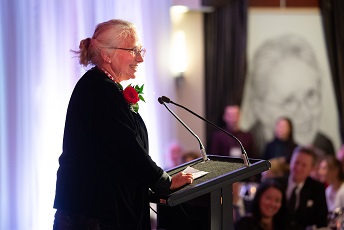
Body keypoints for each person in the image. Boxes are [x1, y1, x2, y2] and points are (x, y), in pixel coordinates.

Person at [52, 19, 194, 230]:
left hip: (99, 210)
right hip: (94, 214)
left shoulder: (102, 86)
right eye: (133, 50)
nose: (140, 58)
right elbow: (126, 147)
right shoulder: (99, 89)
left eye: (141, 50)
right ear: (107, 55)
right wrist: (164, 181)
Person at [243, 34, 336, 157]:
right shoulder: (250, 144)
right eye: (289, 101)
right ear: (260, 108)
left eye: (311, 95)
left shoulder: (325, 146)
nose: (305, 112)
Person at [274, 146, 328, 230]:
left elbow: (322, 221)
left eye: (304, 165)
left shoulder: (317, 189)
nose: (298, 168)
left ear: (311, 168)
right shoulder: (276, 184)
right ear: (291, 162)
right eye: (296, 162)